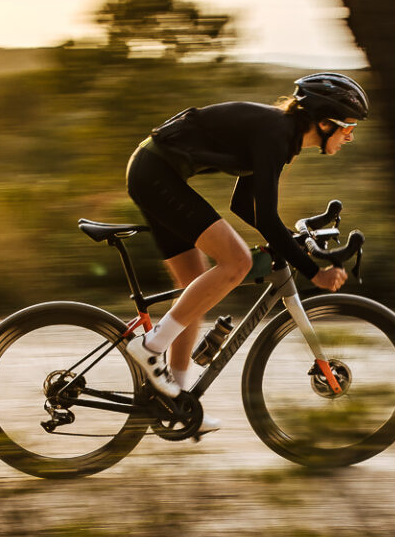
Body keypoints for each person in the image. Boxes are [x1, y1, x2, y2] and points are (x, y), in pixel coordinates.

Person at [120, 72, 368, 432]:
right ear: (325, 122)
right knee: (237, 262)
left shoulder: (281, 134)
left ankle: (176, 401)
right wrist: (313, 272)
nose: (351, 136)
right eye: (349, 127)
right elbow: (264, 216)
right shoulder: (276, 134)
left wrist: (289, 239)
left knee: (196, 286)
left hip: (153, 171)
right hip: (155, 173)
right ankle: (151, 346)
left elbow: (242, 204)